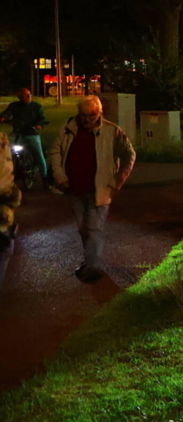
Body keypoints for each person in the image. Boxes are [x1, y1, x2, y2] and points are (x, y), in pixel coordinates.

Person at [47, 96, 135, 283]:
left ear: (100, 114)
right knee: (83, 228)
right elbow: (55, 151)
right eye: (83, 115)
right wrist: (60, 177)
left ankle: (93, 266)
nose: (87, 119)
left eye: (92, 115)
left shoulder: (112, 131)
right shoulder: (68, 129)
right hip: (74, 189)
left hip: (100, 190)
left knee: (94, 228)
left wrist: (118, 180)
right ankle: (90, 261)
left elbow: (129, 154)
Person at [1, 88, 49, 182]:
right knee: (6, 148)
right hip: (17, 133)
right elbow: (7, 112)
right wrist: (3, 117)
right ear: (20, 97)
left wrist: (39, 124)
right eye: (26, 95)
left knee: (38, 154)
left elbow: (42, 118)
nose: (28, 96)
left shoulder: (36, 106)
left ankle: (45, 176)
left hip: (31, 133)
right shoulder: (14, 106)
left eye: (29, 94)